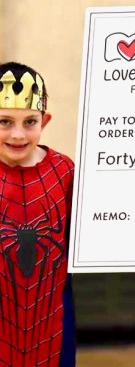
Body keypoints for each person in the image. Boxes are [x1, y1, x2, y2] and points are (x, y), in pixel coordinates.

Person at [0, 61, 76, 366]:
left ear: (45, 120)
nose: (18, 134)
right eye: (4, 121)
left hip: (52, 318)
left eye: (29, 121)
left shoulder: (64, 172)